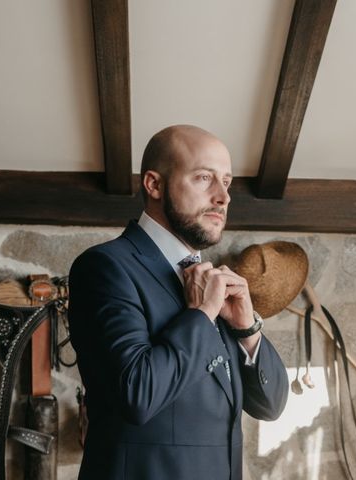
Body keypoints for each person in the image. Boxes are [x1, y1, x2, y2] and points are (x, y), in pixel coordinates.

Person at [68, 125, 289, 480]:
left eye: (227, 182)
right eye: (204, 178)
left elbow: (270, 405)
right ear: (154, 185)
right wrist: (201, 315)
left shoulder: (209, 280)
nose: (223, 197)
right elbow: (137, 395)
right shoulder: (105, 267)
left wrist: (247, 330)